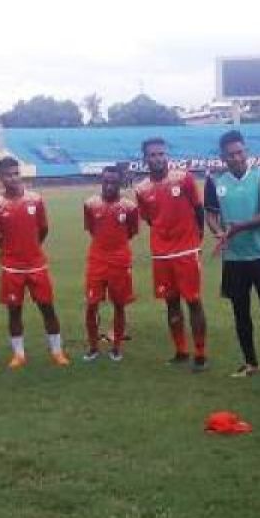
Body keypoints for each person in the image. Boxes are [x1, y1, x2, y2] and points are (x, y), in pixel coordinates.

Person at [204, 130, 260, 382]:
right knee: (240, 313)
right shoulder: (214, 180)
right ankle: (250, 362)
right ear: (223, 157)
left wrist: (239, 227)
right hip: (233, 259)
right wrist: (219, 231)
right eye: (231, 154)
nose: (237, 157)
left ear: (246, 151)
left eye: (241, 152)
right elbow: (210, 214)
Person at [0, 157, 69, 369]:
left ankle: (57, 351)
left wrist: (32, 247)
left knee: (47, 309)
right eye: (8, 175)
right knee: (14, 311)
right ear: (0, 178)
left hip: (36, 265)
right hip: (11, 268)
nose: (13, 178)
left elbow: (43, 229)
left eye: (16, 173)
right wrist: (11, 250)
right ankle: (19, 354)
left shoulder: (35, 200)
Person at [134, 138, 207, 371]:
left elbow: (198, 209)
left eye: (161, 154)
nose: (157, 158)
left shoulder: (183, 177)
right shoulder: (141, 189)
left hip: (186, 250)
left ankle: (200, 353)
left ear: (166, 155)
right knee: (171, 303)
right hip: (162, 254)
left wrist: (196, 238)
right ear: (145, 159)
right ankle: (181, 350)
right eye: (152, 155)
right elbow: (148, 218)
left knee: (194, 301)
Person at [83, 166, 138, 361]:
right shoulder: (90, 204)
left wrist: (115, 249)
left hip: (120, 262)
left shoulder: (129, 207)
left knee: (119, 305)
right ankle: (93, 347)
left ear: (120, 182)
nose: (109, 186)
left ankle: (116, 348)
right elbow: (91, 229)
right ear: (101, 180)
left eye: (114, 182)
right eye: (106, 181)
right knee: (91, 305)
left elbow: (131, 231)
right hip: (97, 261)